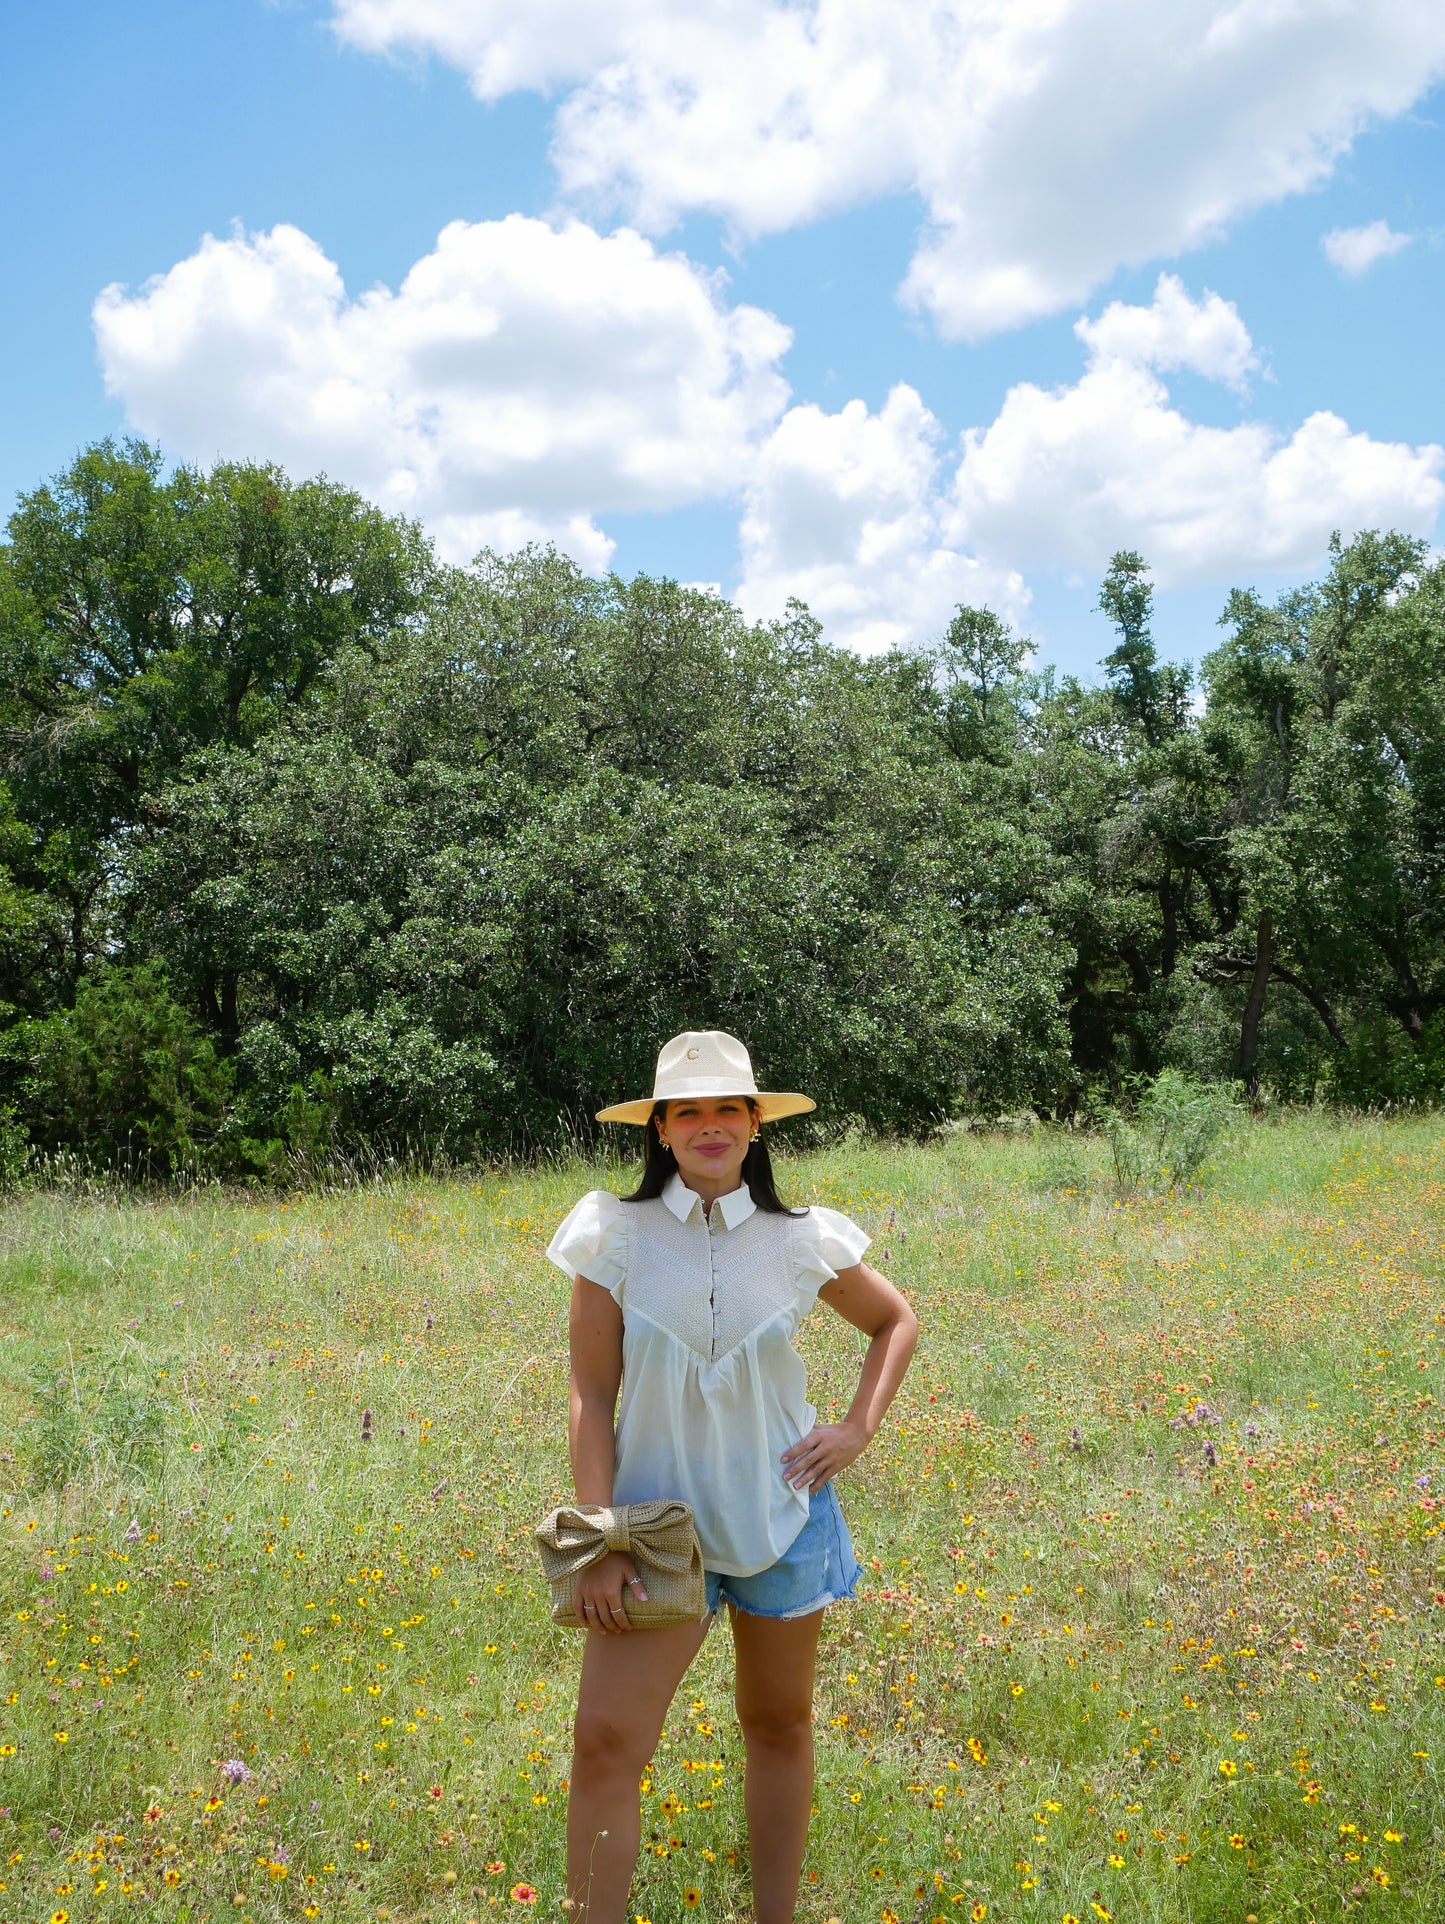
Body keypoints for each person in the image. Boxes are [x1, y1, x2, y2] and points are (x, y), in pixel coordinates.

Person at [545, 1030, 919, 1924]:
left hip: (785, 1520)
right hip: (655, 1535)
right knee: (604, 1744)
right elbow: (591, 1395)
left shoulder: (800, 1239)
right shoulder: (614, 1235)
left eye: (727, 1109)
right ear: (661, 1131)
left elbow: (895, 1320)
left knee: (780, 1726)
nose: (709, 1126)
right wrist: (600, 1538)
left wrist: (857, 1428)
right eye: (688, 1112)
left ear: (754, 1125)